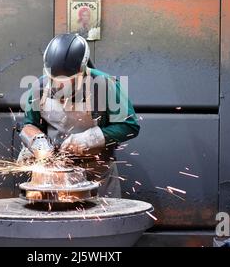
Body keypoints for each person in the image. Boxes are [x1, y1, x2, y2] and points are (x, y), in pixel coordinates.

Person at [18, 33, 140, 197]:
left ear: (82, 71)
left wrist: (89, 139)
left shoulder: (105, 85)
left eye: (69, 80)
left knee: (101, 220)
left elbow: (129, 126)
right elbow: (30, 125)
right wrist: (37, 143)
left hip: (97, 171)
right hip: (53, 174)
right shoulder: (39, 87)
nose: (60, 85)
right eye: (54, 79)